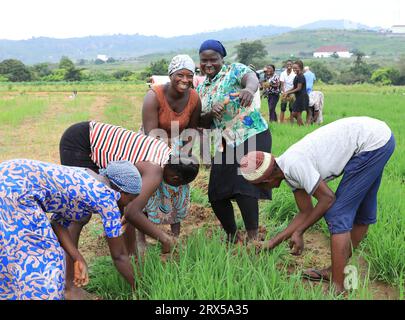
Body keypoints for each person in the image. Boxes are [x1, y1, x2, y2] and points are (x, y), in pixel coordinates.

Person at [240, 117, 395, 294]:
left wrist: (299, 232)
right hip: (379, 138)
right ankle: (334, 272)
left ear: (266, 180)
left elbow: (327, 199)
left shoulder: (293, 165)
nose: (263, 190)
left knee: (337, 214)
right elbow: (305, 213)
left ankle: (338, 286)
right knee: (362, 214)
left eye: (259, 186)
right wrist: (272, 243)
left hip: (371, 143)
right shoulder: (287, 171)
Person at [59, 120, 199, 297]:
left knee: (121, 203)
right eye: (177, 185)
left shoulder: (166, 154)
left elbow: (129, 208)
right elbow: (132, 212)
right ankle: (69, 286)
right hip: (81, 143)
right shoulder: (155, 170)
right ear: (177, 179)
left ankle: (131, 258)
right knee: (78, 215)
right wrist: (165, 239)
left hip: (86, 136)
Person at [0, 159, 139, 300]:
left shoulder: (89, 179)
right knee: (48, 257)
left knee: (11, 252)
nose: (129, 204)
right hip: (17, 191)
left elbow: (57, 223)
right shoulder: (106, 199)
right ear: (122, 192)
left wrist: (77, 258)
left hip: (8, 175)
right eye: (131, 199)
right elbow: (119, 255)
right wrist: (139, 288)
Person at [197, 39, 271, 242]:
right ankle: (232, 235)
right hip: (226, 141)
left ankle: (253, 238)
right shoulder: (201, 89)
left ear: (222, 59)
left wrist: (249, 90)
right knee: (216, 194)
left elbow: (252, 79)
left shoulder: (235, 70)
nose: (209, 64)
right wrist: (211, 112)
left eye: (214, 59)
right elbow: (200, 121)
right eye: (204, 60)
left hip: (251, 134)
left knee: (244, 185)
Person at [141, 54, 202, 241]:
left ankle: (175, 235)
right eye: (180, 75)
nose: (185, 80)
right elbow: (151, 134)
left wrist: (185, 159)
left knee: (179, 185)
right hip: (152, 144)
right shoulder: (154, 96)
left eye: (189, 76)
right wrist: (166, 158)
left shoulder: (194, 98)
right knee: (150, 187)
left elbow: (191, 130)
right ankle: (144, 233)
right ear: (170, 74)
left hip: (179, 145)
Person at [283, 60, 309, 126]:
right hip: (298, 97)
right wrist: (287, 92)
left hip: (302, 97)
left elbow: (298, 88)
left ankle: (300, 127)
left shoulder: (301, 76)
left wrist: (288, 93)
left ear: (300, 68)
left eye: (296, 68)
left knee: (297, 113)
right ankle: (302, 125)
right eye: (293, 68)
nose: (294, 69)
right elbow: (294, 87)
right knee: (295, 113)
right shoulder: (296, 76)